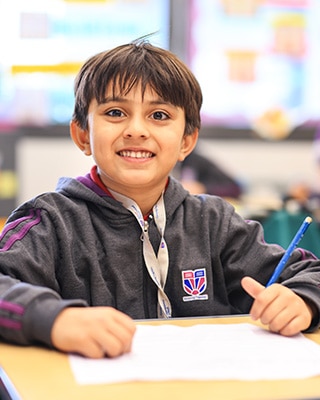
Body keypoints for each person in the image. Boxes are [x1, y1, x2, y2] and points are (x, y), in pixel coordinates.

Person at [0, 39, 320, 360]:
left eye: (159, 115)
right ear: (83, 135)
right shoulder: (48, 222)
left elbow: (310, 273)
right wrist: (55, 319)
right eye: (115, 112)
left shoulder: (215, 223)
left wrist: (303, 299)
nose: (136, 130)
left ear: (186, 141)